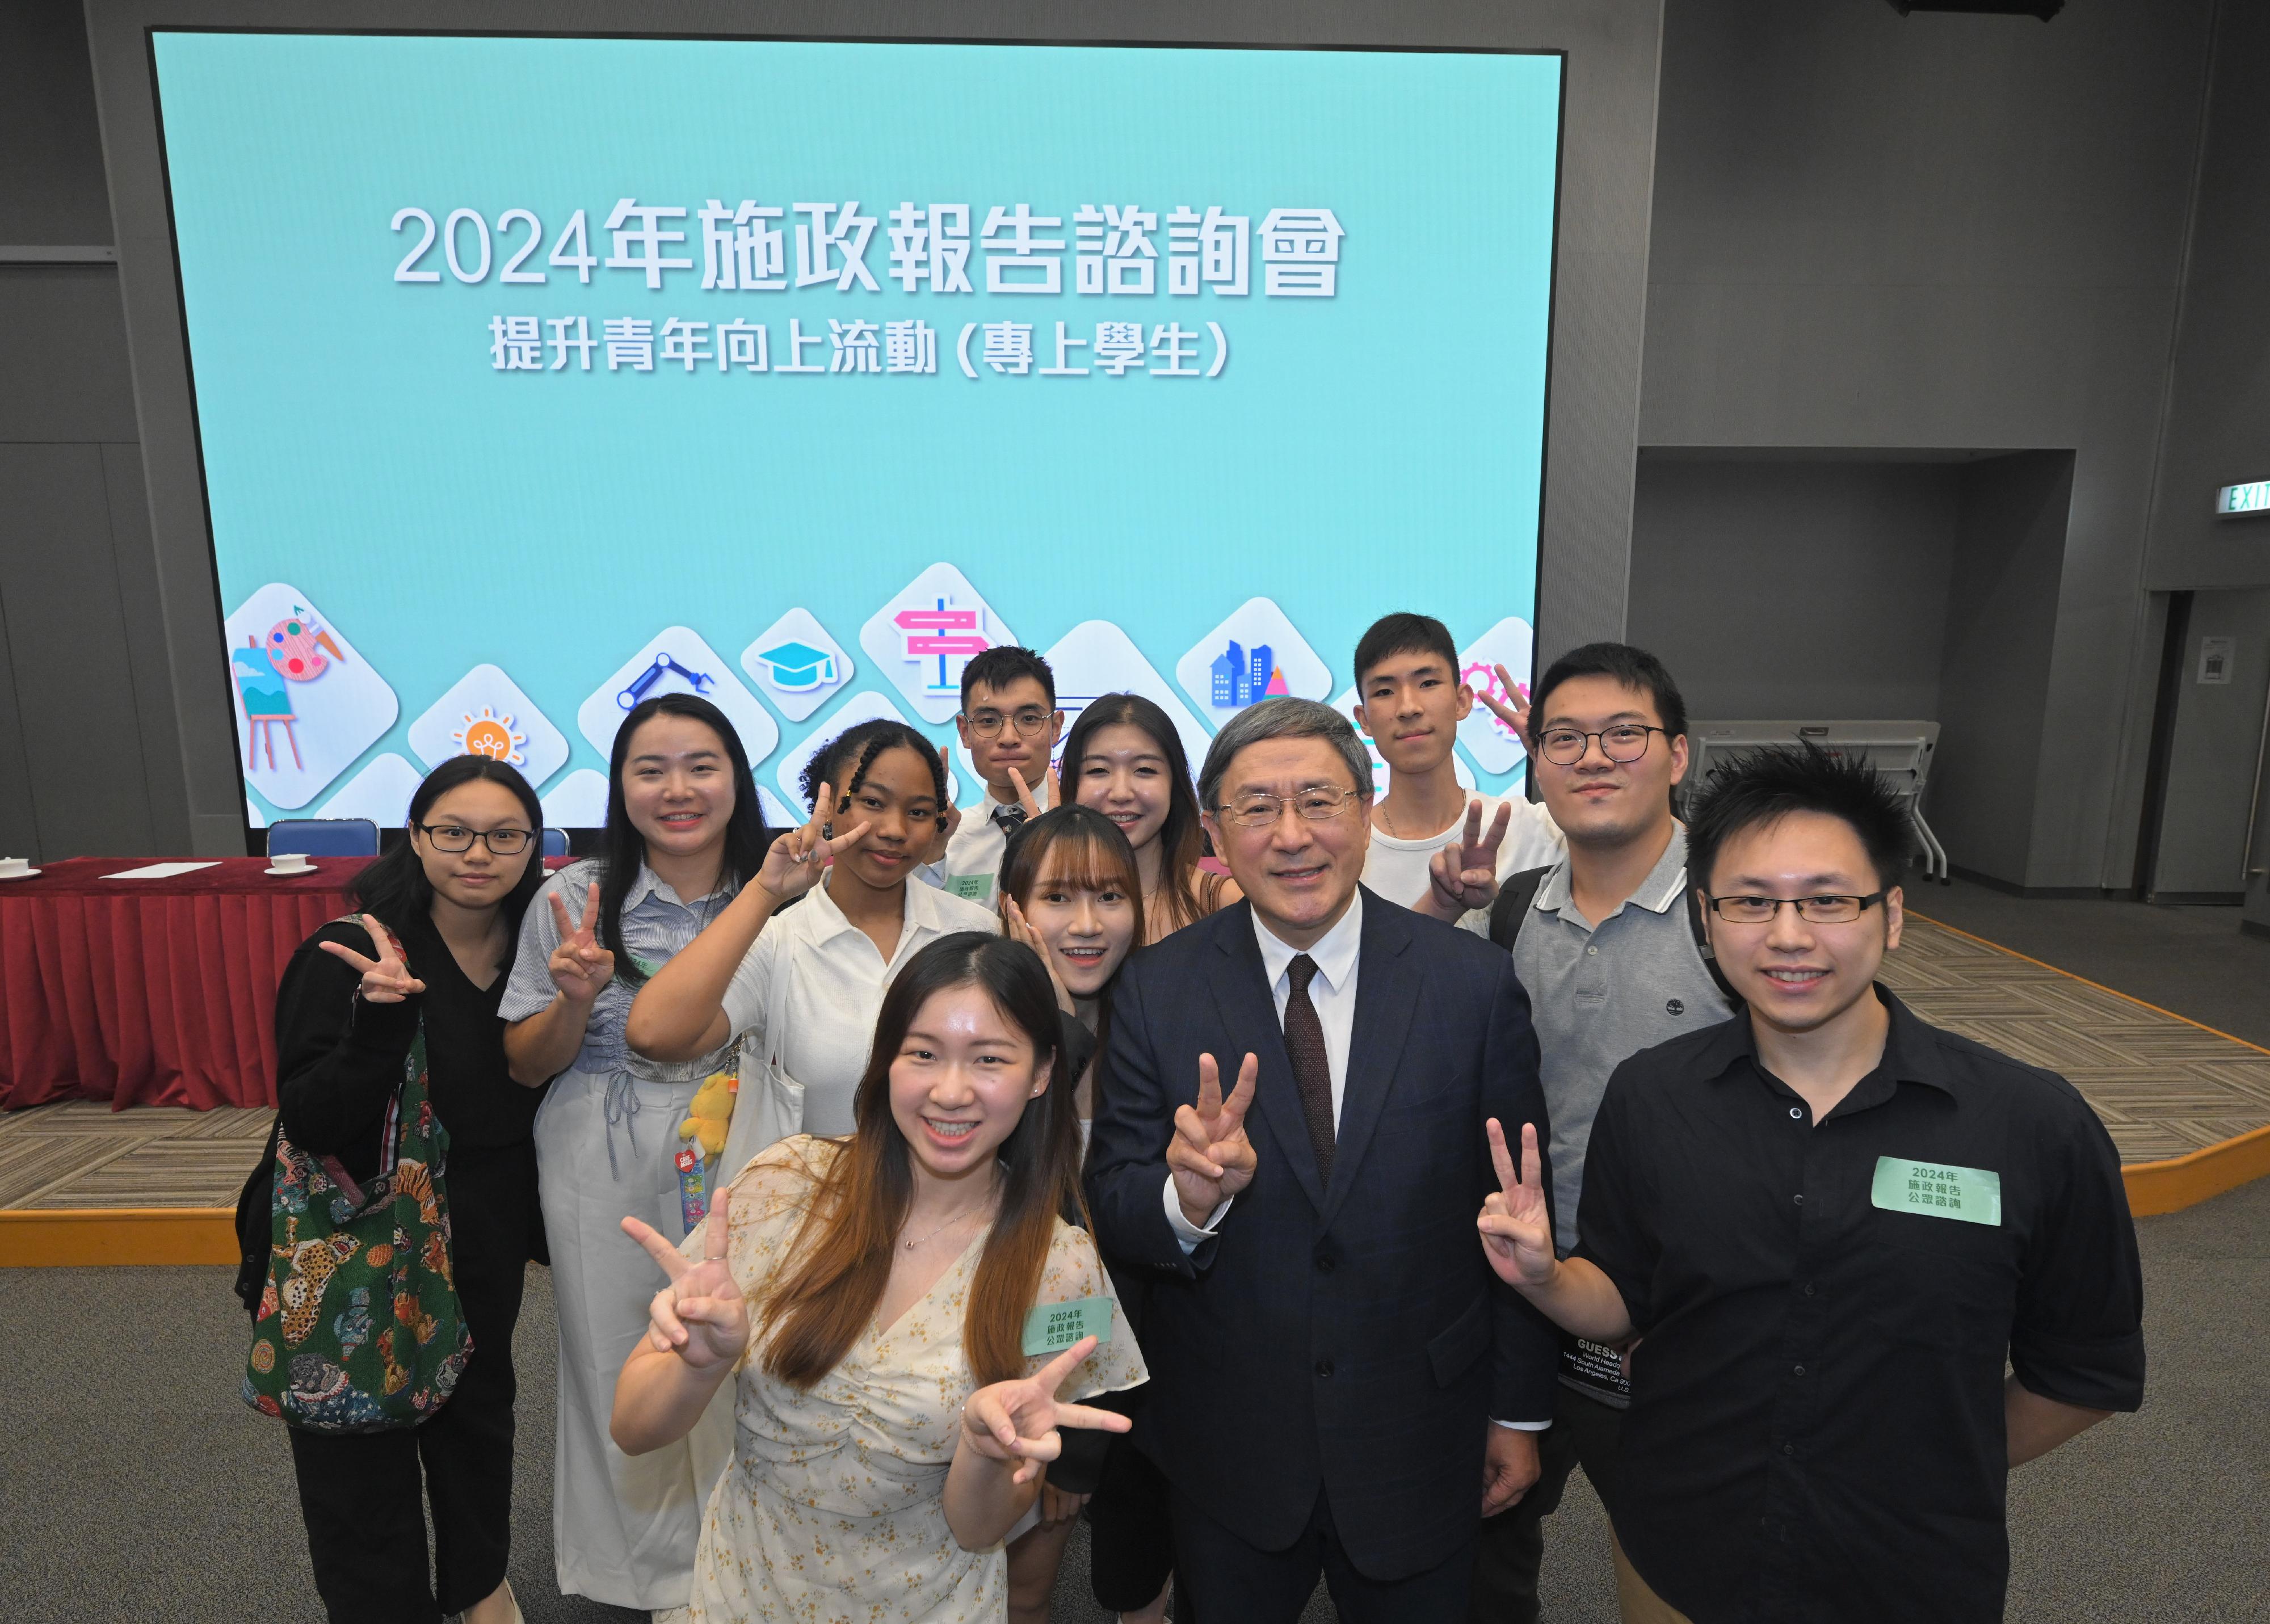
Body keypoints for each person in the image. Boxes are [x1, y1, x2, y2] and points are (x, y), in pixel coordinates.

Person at [1477, 744, 2146, 1624]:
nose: (1788, 935)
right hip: (1679, 1554)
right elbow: (1626, 1300)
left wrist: (1927, 1462)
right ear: (1708, 924)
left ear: (1892, 914)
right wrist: (1546, 1277)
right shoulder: (1652, 1095)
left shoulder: (2032, 1125)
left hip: (1908, 1569)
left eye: (1828, 900)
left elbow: (2084, 1372)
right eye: (1751, 902)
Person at [1086, 696, 1558, 1623]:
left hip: (1423, 1427)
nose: (1293, 834)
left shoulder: (1469, 983)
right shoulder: (1155, 986)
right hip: (1231, 1441)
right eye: (1257, 807)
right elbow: (1115, 1200)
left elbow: (1519, 1209)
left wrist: (1519, 1408)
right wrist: (1184, 1199)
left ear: (1367, 806)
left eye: (1319, 799)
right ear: (1215, 828)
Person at [610, 932, 1149, 1622]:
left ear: (1042, 1073)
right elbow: (632, 1428)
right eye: (922, 1054)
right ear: (886, 1059)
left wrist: (987, 1454)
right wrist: (699, 1363)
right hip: (744, 1593)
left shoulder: (1063, 1266)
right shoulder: (786, 1185)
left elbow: (979, 1530)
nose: (949, 1092)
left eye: (989, 1059)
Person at [1458, 643, 1735, 1624]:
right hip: (1523, 1292)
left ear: (1677, 753)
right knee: (1485, 1539)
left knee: (1684, 1566)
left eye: (1625, 733)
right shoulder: (1514, 910)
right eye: (1564, 738)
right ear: (1534, 762)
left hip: (1679, 1313)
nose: (1593, 757)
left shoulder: (1736, 911)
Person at [499, 693, 774, 1619]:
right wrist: (574, 1002)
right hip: (599, 1147)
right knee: (618, 1355)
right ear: (620, 787)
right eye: (649, 769)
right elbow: (524, 1061)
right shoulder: (572, 897)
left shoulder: (781, 888)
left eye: (702, 764)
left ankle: (749, 1561)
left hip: (751, 1135)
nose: (678, 788)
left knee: (751, 1350)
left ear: (737, 777)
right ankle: (642, 1580)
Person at [258, 755, 549, 1624]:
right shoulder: (349, 950)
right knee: (355, 1432)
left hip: (483, 1221)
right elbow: (310, 1117)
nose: (478, 853)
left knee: (476, 1414)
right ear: (415, 838)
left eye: (504, 835)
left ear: (534, 846)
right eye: (452, 832)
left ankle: (476, 1583)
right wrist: (379, 1025)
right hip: (360, 1229)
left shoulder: (543, 945)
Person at [625, 718, 1000, 1180]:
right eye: (872, 803)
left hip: (947, 1215)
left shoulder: (974, 934)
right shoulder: (781, 940)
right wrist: (765, 892)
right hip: (807, 1226)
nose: (895, 829)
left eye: (919, 812)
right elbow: (653, 1034)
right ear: (827, 807)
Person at [993, 806, 1171, 1624]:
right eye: (1059, 897)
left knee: (1137, 1575)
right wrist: (1057, 1022)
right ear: (1011, 907)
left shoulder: (1168, 1018)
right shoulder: (985, 1027)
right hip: (1008, 1363)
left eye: (1111, 895)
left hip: (1150, 1368)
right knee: (1016, 1583)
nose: (1090, 923)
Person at [1347, 613, 1561, 922]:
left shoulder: (1532, 827)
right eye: (1384, 692)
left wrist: (1550, 757)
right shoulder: (1344, 848)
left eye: (1428, 683)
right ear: (1364, 718)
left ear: (1462, 701)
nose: (1408, 708)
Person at [1060, 692, 1238, 942]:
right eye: (1098, 770)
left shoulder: (1226, 903)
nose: (1121, 793)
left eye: (1144, 770)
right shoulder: (1044, 906)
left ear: (1174, 786)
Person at [930, 645, 1066, 908]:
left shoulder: (1091, 831)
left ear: (1056, 727)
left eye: (1028, 718)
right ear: (965, 732)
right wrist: (931, 851)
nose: (1008, 739)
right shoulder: (948, 839)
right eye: (988, 721)